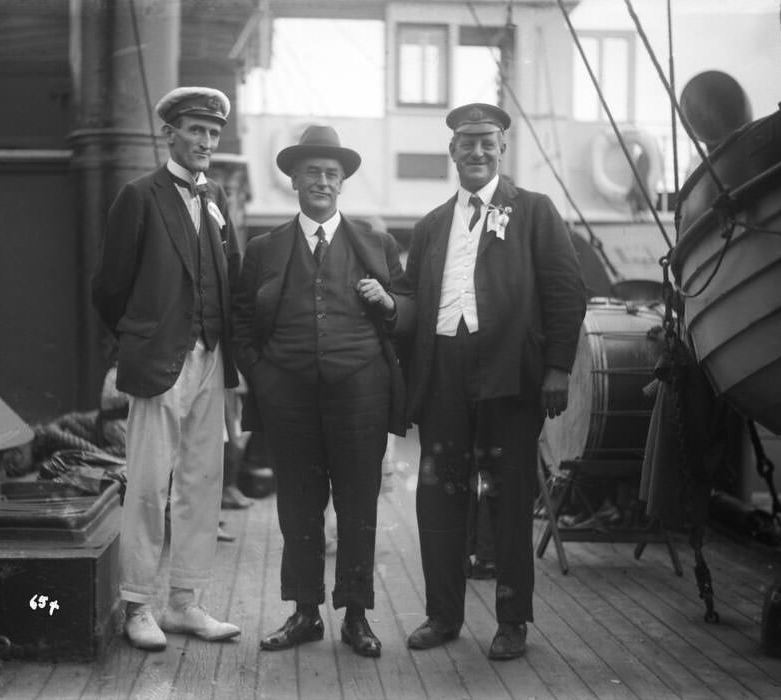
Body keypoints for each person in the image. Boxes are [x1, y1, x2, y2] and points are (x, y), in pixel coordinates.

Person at [401, 103, 586, 660]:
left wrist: (556, 368)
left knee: (508, 501)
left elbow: (565, 292)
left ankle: (512, 621)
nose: (477, 151)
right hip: (444, 378)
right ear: (452, 152)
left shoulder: (533, 211)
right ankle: (443, 615)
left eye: (487, 142)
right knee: (439, 497)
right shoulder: (432, 225)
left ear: (502, 149)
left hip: (510, 376)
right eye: (466, 143)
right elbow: (412, 302)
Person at [232, 125, 412, 658]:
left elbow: (406, 313)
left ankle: (356, 616)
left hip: (360, 393)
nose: (323, 181)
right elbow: (242, 321)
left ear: (343, 183)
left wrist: (388, 302)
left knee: (358, 506)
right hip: (286, 396)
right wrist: (261, 374)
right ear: (293, 179)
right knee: (298, 506)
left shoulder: (376, 244)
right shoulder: (264, 249)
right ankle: (305, 613)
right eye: (312, 172)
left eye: (332, 174)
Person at [91, 86, 242, 651]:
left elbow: (230, 274)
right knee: (150, 484)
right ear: (170, 133)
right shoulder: (139, 196)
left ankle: (185, 603)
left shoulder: (217, 197)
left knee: (203, 481)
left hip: (212, 356)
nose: (205, 141)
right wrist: (144, 338)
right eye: (195, 130)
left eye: (212, 132)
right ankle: (137, 605)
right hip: (160, 362)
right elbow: (108, 288)